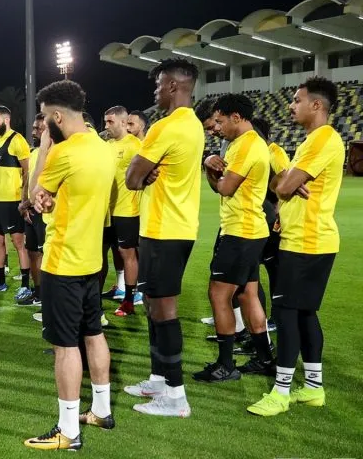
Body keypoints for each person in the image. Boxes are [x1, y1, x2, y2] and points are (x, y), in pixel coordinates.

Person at [23, 80, 114, 451]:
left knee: (65, 346)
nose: (44, 125)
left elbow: (34, 196)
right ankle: (102, 411)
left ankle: (68, 431)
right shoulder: (104, 148)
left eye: (45, 119)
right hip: (93, 259)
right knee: (93, 332)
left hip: (63, 260)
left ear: (57, 116)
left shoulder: (63, 153)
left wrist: (44, 148)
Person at [248, 77, 344, 416]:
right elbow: (284, 185)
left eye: (297, 99)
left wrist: (287, 182)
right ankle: (314, 387)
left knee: (287, 313)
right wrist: (286, 182)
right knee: (304, 313)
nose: (291, 105)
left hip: (307, 240)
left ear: (316, 105)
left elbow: (283, 186)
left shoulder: (323, 139)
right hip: (309, 238)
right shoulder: (312, 141)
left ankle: (282, 391)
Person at [123, 58, 203, 418]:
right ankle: (159, 378)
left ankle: (176, 396)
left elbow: (131, 179)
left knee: (164, 311)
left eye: (158, 84)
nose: (155, 90)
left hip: (164, 229)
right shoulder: (194, 124)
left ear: (173, 86)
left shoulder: (165, 127)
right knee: (156, 307)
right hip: (177, 227)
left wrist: (144, 172)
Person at [197, 94, 270, 383]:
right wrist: (212, 167)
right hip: (249, 231)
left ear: (235, 117)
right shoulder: (245, 143)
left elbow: (225, 188)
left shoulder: (247, 145)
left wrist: (210, 168)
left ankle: (226, 364)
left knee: (218, 293)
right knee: (247, 294)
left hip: (241, 231)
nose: (218, 127)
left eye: (220, 120)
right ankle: (265, 358)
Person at [0, 105, 31, 293]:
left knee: (19, 242)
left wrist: (24, 198)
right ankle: (0, 282)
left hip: (12, 200)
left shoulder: (17, 140)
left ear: (6, 120)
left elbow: (28, 171)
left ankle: (25, 285)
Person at [103, 106, 144, 316]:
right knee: (103, 253)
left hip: (127, 209)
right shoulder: (107, 145)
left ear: (122, 122)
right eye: (105, 122)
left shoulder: (134, 145)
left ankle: (130, 299)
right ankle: (97, 299)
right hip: (105, 209)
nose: (106, 126)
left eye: (110, 122)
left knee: (127, 253)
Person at [18, 113, 47, 307]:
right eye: (34, 128)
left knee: (46, 254)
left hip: (43, 209)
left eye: (38, 128)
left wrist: (26, 204)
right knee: (33, 252)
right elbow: (28, 179)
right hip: (30, 209)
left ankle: (49, 296)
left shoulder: (53, 151)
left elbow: (45, 184)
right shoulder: (35, 151)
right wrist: (23, 204)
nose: (34, 131)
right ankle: (38, 294)